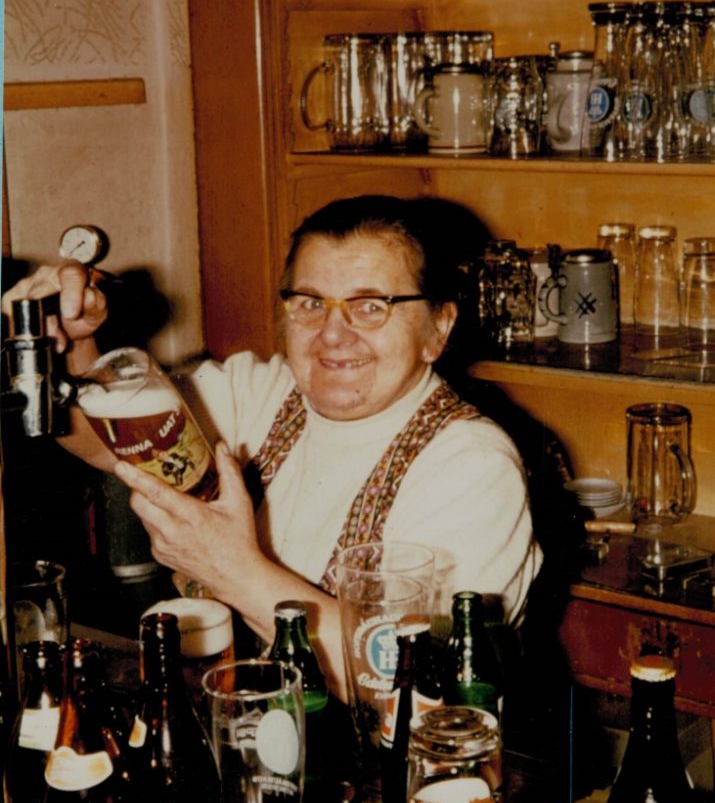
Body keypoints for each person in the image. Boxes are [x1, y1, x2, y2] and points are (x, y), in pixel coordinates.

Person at [3, 195, 542, 699]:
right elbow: (109, 443)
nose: (333, 333)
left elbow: (417, 684)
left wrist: (230, 568)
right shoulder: (261, 390)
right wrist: (71, 347)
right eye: (310, 302)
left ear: (438, 328)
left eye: (371, 306)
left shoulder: (473, 465)